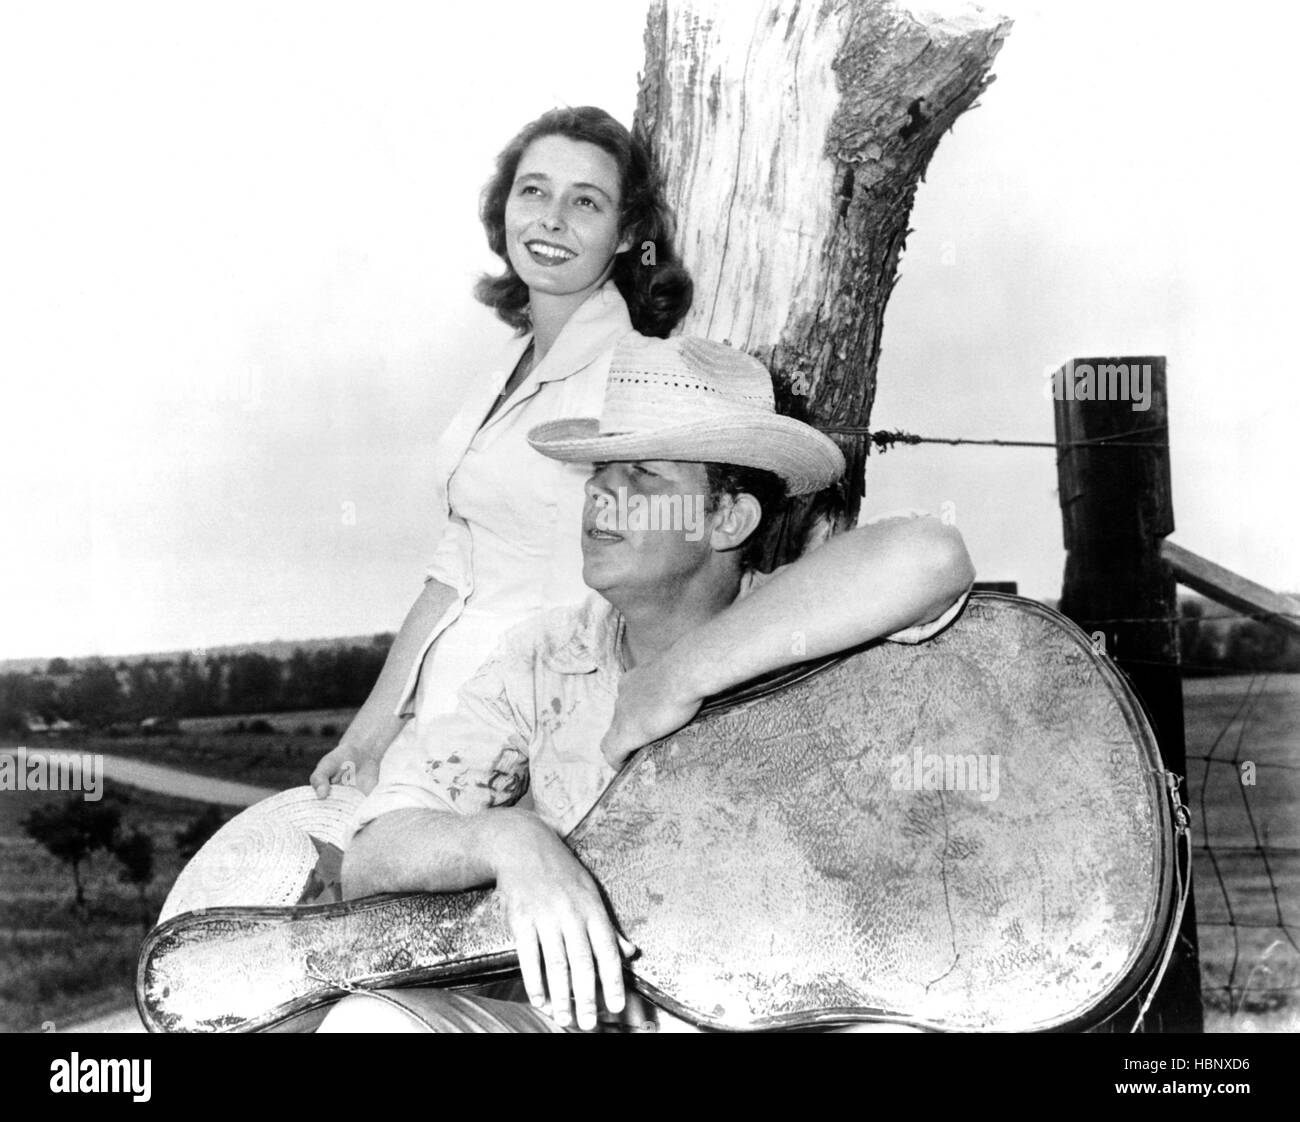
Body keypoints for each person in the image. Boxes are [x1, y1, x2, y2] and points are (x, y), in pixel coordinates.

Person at [323, 333, 976, 1033]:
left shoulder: (805, 628)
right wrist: (510, 841)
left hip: (787, 1014)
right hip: (595, 1021)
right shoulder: (545, 657)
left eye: (642, 472)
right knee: (371, 1023)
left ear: (726, 519)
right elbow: (372, 854)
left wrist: (677, 678)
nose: (603, 490)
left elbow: (933, 554)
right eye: (601, 468)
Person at [309, 106, 692, 797]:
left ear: (628, 233)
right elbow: (452, 573)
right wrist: (365, 738)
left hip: (545, 722)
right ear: (505, 206)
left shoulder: (635, 376)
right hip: (443, 709)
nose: (551, 218)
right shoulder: (500, 372)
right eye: (534, 191)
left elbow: (657, 581)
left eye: (586, 202)